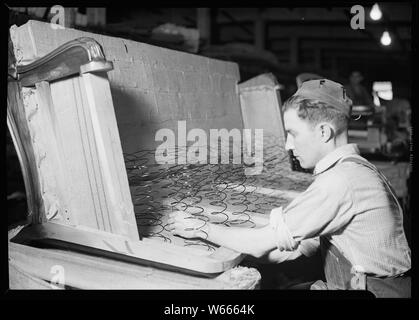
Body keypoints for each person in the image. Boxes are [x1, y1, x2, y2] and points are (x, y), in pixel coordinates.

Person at [167, 79, 411, 297]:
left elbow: (261, 242)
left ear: (324, 132)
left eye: (293, 133)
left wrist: (199, 228)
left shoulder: (340, 182)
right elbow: (291, 251)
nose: (288, 144)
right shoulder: (354, 169)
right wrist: (231, 251)